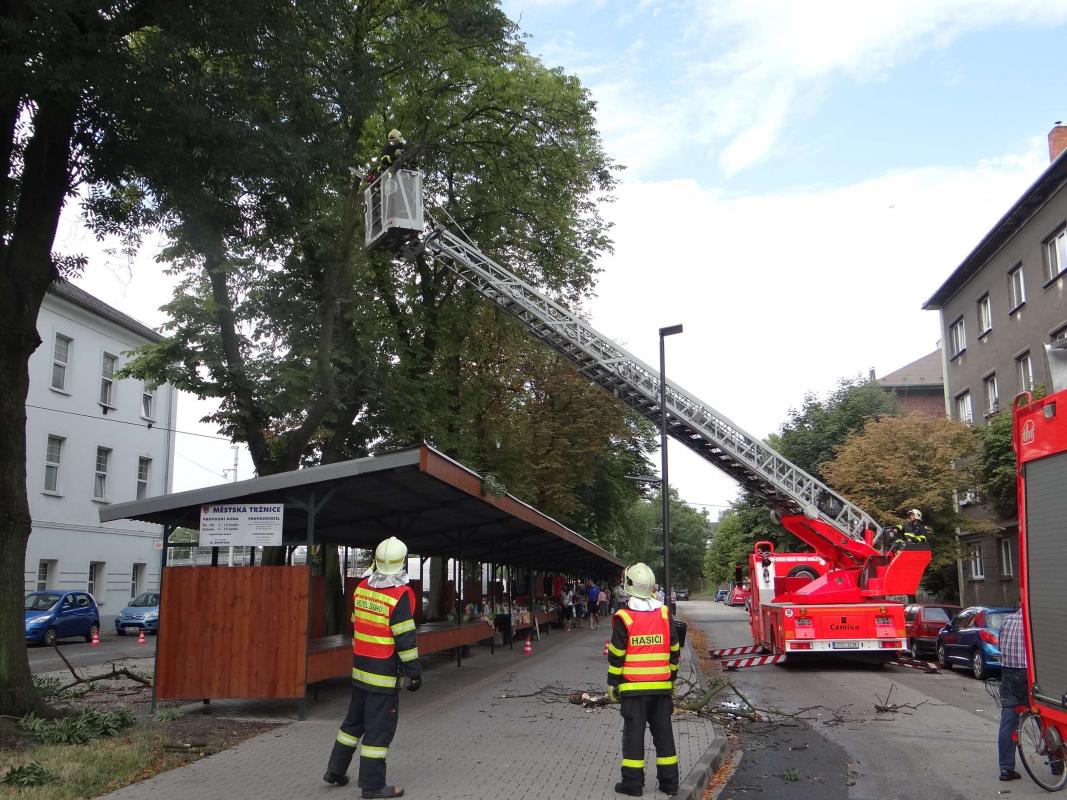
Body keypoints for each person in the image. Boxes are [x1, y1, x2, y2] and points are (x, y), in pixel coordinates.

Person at [323, 536, 421, 799]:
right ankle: (373, 786)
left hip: (360, 671)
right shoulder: (400, 595)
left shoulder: (362, 588)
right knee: (378, 732)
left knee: (352, 724)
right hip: (383, 676)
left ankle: (335, 770)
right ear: (402, 562)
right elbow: (405, 639)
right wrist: (414, 673)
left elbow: (357, 625)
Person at [607, 562, 680, 797]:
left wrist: (612, 683)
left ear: (629, 585)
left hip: (633, 690)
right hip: (661, 688)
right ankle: (669, 784)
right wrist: (673, 678)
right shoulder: (664, 613)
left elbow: (617, 654)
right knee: (664, 736)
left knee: (633, 738)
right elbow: (674, 649)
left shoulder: (624, 617)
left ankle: (632, 785)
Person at [998, 607, 1028, 782]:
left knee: (1008, 721)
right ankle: (1056, 764)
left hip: (1009, 674)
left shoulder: (1007, 620)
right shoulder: (1032, 621)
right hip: (1029, 674)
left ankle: (1006, 769)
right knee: (1042, 718)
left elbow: (1000, 646)